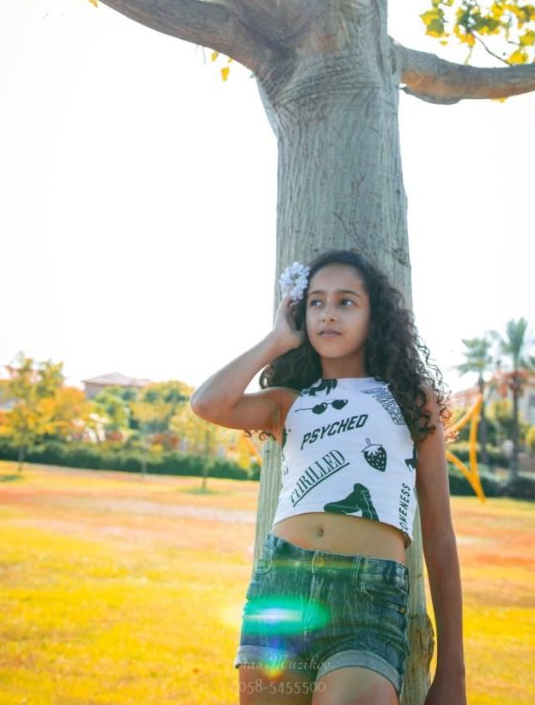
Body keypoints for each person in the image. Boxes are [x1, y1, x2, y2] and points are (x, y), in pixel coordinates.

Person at [190, 249, 466, 705]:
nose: (328, 314)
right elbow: (207, 403)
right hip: (282, 588)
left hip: (368, 598)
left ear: (374, 316)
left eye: (346, 302)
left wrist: (453, 671)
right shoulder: (288, 402)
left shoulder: (412, 400)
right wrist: (277, 339)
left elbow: (439, 535)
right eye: (316, 302)